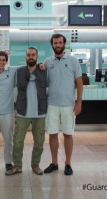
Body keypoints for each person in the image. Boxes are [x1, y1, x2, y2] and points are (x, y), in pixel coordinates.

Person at [43, 34, 83, 176]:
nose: (58, 44)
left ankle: (68, 163)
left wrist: (79, 103)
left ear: (64, 44)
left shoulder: (73, 61)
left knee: (68, 134)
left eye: (60, 42)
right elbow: (44, 83)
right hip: (51, 104)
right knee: (52, 134)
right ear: (52, 44)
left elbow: (79, 82)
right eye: (55, 42)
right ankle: (54, 163)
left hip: (68, 105)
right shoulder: (47, 62)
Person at [6, 47, 47, 176]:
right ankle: (17, 166)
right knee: (18, 141)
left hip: (40, 113)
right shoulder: (19, 71)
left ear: (37, 56)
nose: (31, 57)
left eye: (33, 55)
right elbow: (0, 68)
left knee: (39, 142)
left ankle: (35, 165)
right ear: (25, 57)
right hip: (23, 112)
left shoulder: (44, 71)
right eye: (28, 54)